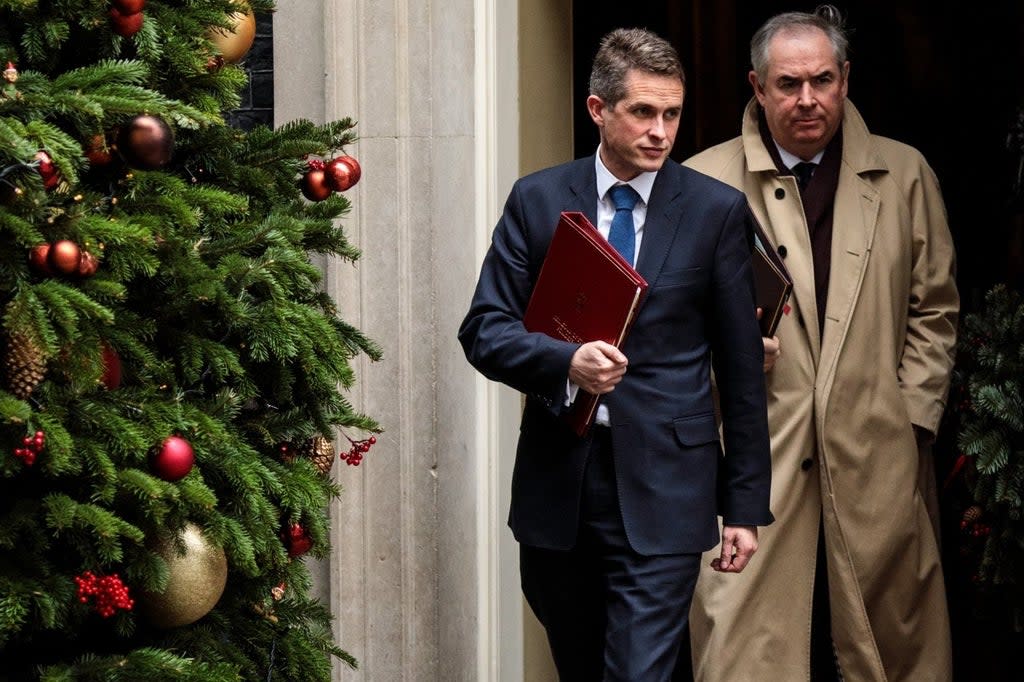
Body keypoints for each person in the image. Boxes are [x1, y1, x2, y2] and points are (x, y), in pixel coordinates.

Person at [458, 27, 773, 680]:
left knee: (635, 671)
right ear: (598, 109)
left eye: (672, 114)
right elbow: (484, 329)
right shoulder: (538, 200)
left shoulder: (716, 212)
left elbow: (741, 371)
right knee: (586, 666)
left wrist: (743, 505)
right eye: (643, 112)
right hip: (560, 487)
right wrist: (564, 362)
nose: (661, 131)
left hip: (669, 486)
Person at [681, 6, 959, 681]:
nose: (808, 99)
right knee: (750, 645)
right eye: (788, 84)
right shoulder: (699, 183)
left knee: (880, 647)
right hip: (748, 467)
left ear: (845, 80)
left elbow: (935, 309)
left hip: (875, 461)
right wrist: (722, 366)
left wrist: (909, 416)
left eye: (823, 81)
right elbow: (665, 331)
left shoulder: (906, 173)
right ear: (757, 85)